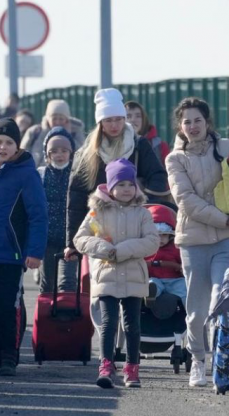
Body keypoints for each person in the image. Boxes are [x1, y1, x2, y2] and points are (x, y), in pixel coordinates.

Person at [165, 96, 229, 388]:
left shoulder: (226, 147)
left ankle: (223, 360)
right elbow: (186, 201)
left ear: (208, 122)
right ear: (180, 126)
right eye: (187, 122)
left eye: (198, 120)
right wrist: (225, 219)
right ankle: (198, 359)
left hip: (226, 239)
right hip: (193, 240)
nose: (193, 126)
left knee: (222, 297)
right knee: (196, 309)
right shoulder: (175, 159)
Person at [0, 118, 47, 376]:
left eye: (8, 142)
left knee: (6, 306)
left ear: (17, 146)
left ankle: (8, 356)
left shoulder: (27, 174)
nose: (2, 147)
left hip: (11, 254)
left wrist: (34, 252)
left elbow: (38, 215)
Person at [74, 158, 159, 389]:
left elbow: (152, 241)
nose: (126, 189)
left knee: (132, 324)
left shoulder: (142, 213)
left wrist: (121, 250)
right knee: (108, 323)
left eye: (130, 184)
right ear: (110, 187)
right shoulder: (97, 213)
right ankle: (106, 365)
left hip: (133, 275)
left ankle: (132, 368)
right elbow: (80, 239)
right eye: (120, 184)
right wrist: (103, 249)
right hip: (106, 275)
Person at [64, 88, 169, 261]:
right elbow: (76, 197)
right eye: (108, 120)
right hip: (101, 231)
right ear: (100, 122)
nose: (114, 125)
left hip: (134, 227)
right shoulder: (88, 153)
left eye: (119, 119)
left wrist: (144, 206)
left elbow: (157, 176)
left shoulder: (138, 145)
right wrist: (72, 243)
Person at [36, 126, 78, 294]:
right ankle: (46, 317)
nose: (59, 155)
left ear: (71, 153)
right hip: (47, 239)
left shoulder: (77, 175)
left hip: (71, 239)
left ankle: (67, 317)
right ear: (47, 155)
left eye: (64, 151)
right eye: (54, 151)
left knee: (68, 283)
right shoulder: (41, 175)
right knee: (47, 282)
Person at [21, 99, 86, 168]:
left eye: (61, 119)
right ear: (48, 118)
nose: (57, 122)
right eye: (54, 119)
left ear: (67, 119)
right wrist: (44, 133)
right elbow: (22, 155)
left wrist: (68, 136)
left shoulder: (75, 132)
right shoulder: (35, 132)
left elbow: (81, 157)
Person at [144, 204, 186, 306]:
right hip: (155, 278)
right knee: (151, 283)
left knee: (184, 287)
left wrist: (182, 268)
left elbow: (183, 262)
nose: (160, 239)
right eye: (157, 235)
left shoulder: (176, 248)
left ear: (170, 236)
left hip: (174, 279)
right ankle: (149, 295)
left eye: (164, 235)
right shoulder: (145, 249)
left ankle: (191, 312)